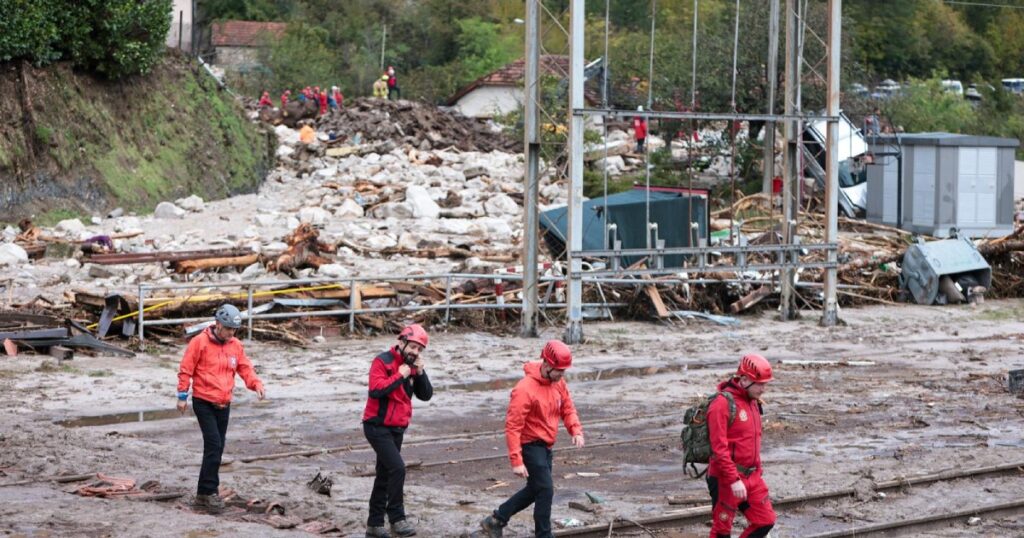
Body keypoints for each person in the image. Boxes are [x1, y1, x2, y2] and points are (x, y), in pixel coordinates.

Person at [480, 340, 584, 538]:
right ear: (546, 364)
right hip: (530, 445)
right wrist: (516, 460)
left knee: (536, 489)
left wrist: (575, 430)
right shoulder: (524, 389)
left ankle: (496, 520)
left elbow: (567, 408)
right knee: (545, 489)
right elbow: (513, 426)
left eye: (564, 371)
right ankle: (544, 535)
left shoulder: (558, 383)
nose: (562, 375)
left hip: (546, 446)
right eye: (559, 370)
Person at [176, 304, 265, 513]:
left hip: (224, 403)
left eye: (234, 330)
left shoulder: (235, 345)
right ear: (217, 324)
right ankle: (209, 493)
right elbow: (186, 369)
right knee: (214, 446)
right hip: (203, 401)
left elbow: (245, 368)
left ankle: (203, 493)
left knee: (216, 448)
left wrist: (256, 384)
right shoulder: (199, 343)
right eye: (228, 329)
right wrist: (182, 396)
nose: (231, 333)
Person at [362, 324, 434, 538]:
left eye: (419, 349)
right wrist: (400, 375)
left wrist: (420, 373)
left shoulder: (412, 366)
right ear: (401, 342)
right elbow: (376, 391)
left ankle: (374, 524)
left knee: (384, 474)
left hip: (397, 428)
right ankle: (397, 519)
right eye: (412, 347)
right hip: (376, 426)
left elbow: (426, 395)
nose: (415, 352)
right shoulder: (382, 361)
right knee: (397, 469)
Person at [705, 354, 776, 538]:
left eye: (765, 384)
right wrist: (734, 479)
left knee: (765, 521)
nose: (763, 389)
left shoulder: (753, 401)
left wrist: (758, 470)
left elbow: (753, 441)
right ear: (743, 380)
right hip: (726, 479)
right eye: (759, 384)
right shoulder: (721, 404)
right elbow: (718, 449)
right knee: (722, 531)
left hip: (751, 476)